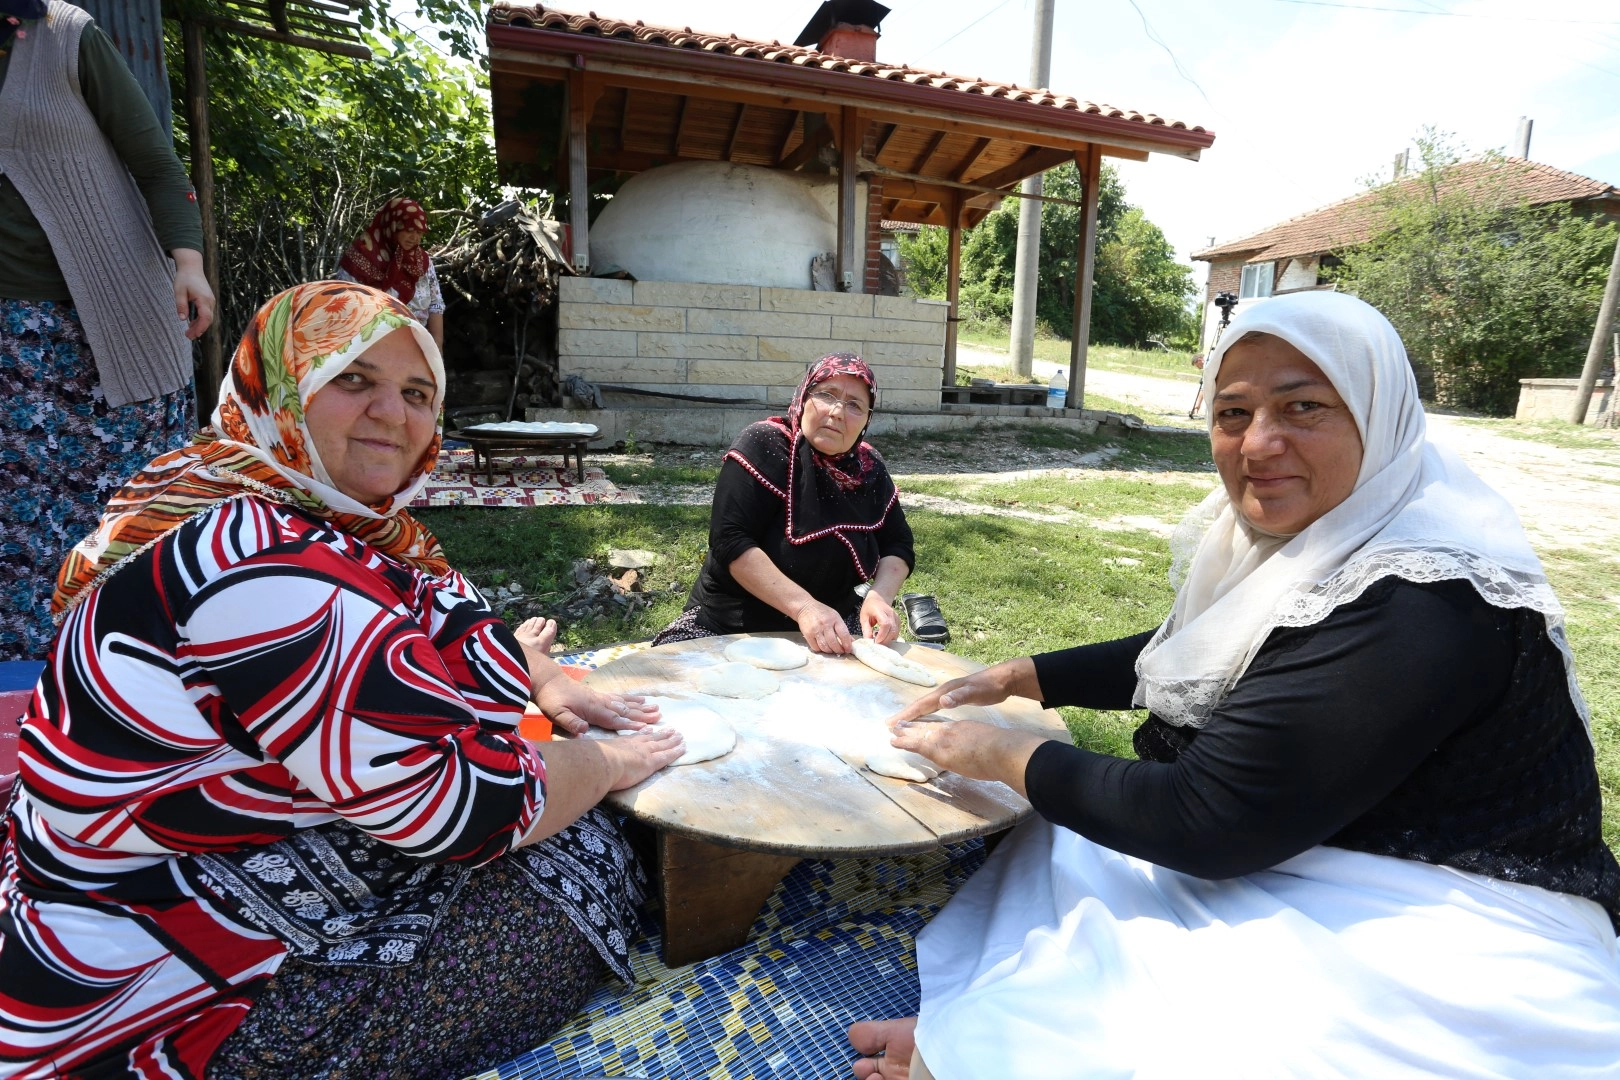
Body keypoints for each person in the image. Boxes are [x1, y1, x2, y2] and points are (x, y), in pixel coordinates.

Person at [847, 291, 1620, 1078]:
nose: (1260, 444)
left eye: (1304, 407)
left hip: (1450, 918)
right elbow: (1209, 652)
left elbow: (1204, 821)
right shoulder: (1330, 536)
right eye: (1232, 413)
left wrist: (1003, 754)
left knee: (1132, 1008)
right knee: (1077, 865)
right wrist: (1027, 676)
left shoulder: (1424, 604)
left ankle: (978, 1045)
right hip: (1316, 838)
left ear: (1378, 415)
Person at [0, 282, 685, 1078]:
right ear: (278, 389)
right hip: (142, 990)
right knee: (587, 859)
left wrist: (542, 677)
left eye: (417, 392)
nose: (394, 414)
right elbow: (462, 809)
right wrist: (606, 765)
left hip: (189, 865)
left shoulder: (313, 517)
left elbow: (444, 624)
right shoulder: (259, 568)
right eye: (353, 379)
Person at [0, 0, 215, 662]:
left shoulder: (63, 36)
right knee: (20, 527)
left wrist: (188, 262)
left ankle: (146, 669)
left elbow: (153, 159)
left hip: (110, 315)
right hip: (10, 333)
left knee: (133, 513)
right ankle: (35, 702)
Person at [653, 353, 915, 655]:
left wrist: (879, 597)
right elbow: (730, 540)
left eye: (855, 404)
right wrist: (804, 608)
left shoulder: (869, 470)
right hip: (732, 628)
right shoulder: (764, 445)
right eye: (826, 395)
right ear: (804, 398)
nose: (837, 412)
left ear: (867, 419)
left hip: (832, 630)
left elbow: (898, 543)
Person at [331, 195, 446, 352]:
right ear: (392, 226)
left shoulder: (422, 262)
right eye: (409, 230)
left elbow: (436, 304)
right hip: (370, 347)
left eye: (420, 232)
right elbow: (346, 309)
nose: (415, 238)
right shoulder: (361, 258)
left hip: (418, 345)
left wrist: (436, 346)